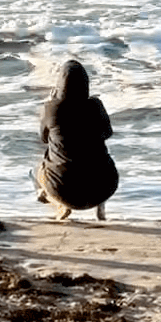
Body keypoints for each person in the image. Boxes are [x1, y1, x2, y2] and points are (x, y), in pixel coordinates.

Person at [36, 57, 118, 222]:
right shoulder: (95, 106)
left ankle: (59, 204)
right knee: (100, 162)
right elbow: (108, 133)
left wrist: (51, 103)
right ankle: (100, 209)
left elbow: (44, 138)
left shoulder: (52, 109)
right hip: (103, 188)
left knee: (34, 172)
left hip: (64, 192)